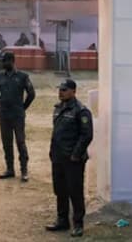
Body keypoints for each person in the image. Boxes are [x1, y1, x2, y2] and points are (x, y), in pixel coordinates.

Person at [45, 79, 93, 238]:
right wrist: (52, 152)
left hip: (73, 160)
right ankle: (62, 220)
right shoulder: (58, 108)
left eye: (64, 90)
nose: (61, 92)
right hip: (58, 157)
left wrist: (75, 155)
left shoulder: (81, 111)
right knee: (60, 190)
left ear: (73, 91)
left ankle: (78, 224)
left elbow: (87, 135)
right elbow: (56, 133)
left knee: (75, 191)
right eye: (60, 89)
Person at [0, 52, 36, 181]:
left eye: (4, 61)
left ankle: (24, 170)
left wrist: (23, 107)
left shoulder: (23, 76)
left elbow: (31, 94)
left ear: (11, 61)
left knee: (20, 142)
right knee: (7, 143)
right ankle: (10, 169)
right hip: (4, 115)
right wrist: (1, 106)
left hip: (17, 116)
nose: (2, 64)